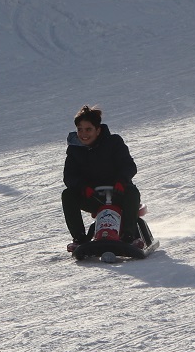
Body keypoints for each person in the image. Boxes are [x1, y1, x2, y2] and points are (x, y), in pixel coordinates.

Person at [61, 105, 144, 256]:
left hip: (119, 193)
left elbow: (128, 165)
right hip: (93, 196)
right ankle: (79, 238)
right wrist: (82, 187)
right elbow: (69, 176)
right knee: (68, 195)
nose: (83, 134)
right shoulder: (74, 150)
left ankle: (129, 235)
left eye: (88, 129)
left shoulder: (113, 142)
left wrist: (121, 180)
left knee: (132, 192)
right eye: (80, 129)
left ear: (98, 130)